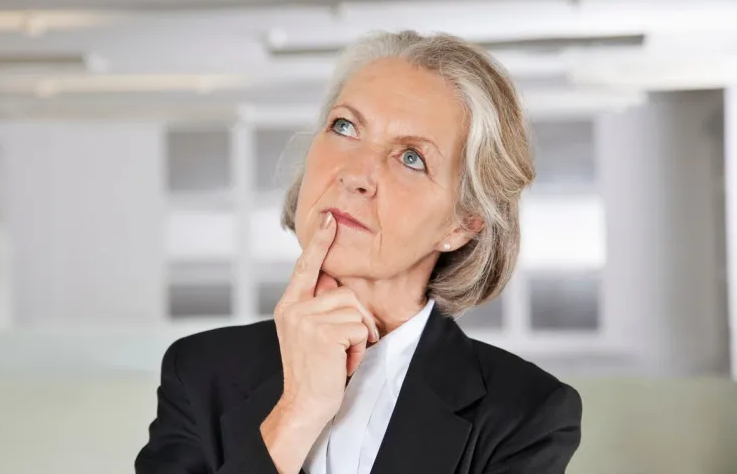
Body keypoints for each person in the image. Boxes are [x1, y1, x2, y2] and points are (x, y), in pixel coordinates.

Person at [135, 30, 582, 474]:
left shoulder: (523, 414)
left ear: (461, 224)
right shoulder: (199, 373)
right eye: (345, 127)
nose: (355, 175)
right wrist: (296, 412)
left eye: (411, 157)